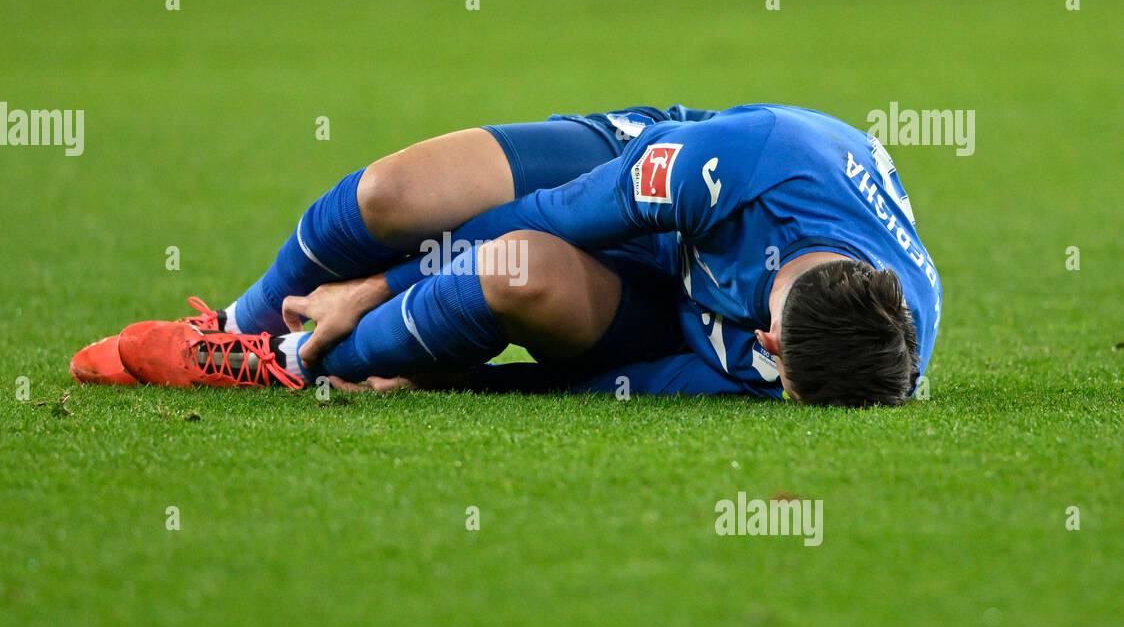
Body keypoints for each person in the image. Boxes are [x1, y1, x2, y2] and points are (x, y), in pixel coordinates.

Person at [71, 104, 941, 406]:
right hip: (642, 177)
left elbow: (619, 388)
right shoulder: (745, 165)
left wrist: (454, 373)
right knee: (391, 197)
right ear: (779, 339)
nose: (766, 379)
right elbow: (561, 212)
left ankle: (289, 362)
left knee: (516, 271)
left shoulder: (868, 361)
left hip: (652, 308)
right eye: (775, 373)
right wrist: (376, 285)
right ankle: (241, 324)